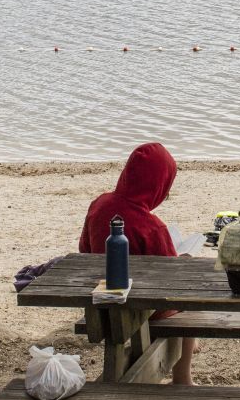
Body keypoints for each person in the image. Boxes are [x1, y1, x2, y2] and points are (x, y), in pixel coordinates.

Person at [80, 142, 193, 384]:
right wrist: (184, 260)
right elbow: (172, 277)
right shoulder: (152, 227)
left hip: (101, 303)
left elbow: (84, 251)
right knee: (191, 302)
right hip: (140, 307)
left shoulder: (99, 205)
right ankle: (182, 377)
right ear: (159, 185)